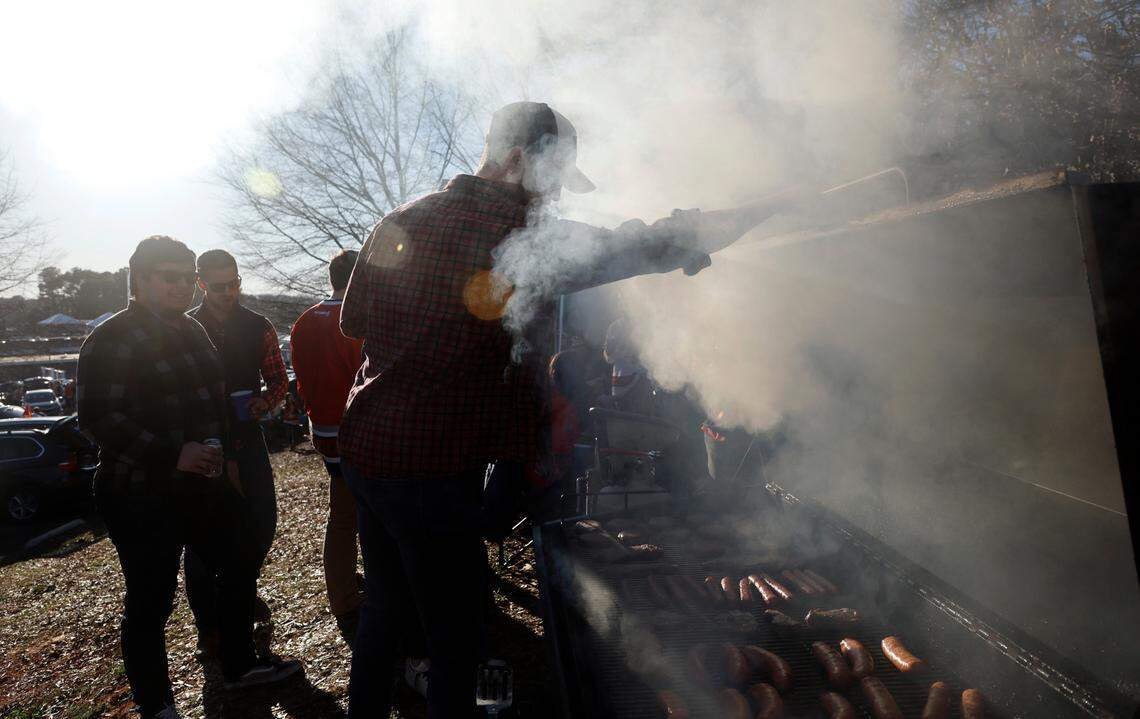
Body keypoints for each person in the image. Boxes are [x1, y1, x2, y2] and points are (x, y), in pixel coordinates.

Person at [338, 101, 810, 718]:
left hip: (369, 450)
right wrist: (759, 208)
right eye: (554, 176)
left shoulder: (401, 218)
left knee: (385, 608)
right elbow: (649, 246)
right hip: (430, 469)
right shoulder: (519, 234)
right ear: (517, 161)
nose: (557, 194)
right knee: (458, 639)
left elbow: (355, 322)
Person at [77, 236, 300, 719]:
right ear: (141, 279)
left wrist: (226, 448)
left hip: (204, 483)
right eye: (169, 277)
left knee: (241, 558)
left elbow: (216, 399)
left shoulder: (192, 331)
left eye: (185, 276)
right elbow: (97, 418)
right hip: (139, 493)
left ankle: (239, 664)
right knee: (151, 601)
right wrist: (173, 453)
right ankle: (156, 704)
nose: (181, 286)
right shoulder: (112, 337)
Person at [182, 249, 288, 660]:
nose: (229, 293)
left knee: (262, 524)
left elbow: (278, 378)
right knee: (205, 539)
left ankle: (241, 591)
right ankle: (209, 626)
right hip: (203, 443)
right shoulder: (186, 327)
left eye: (235, 284)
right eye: (220, 286)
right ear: (202, 284)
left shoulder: (257, 325)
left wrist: (267, 401)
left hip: (247, 438)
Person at [289, 249, 367, 642]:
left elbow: (299, 378)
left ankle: (342, 592)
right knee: (361, 513)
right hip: (359, 431)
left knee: (342, 514)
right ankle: (350, 596)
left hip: (323, 429)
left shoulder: (304, 321)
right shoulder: (354, 322)